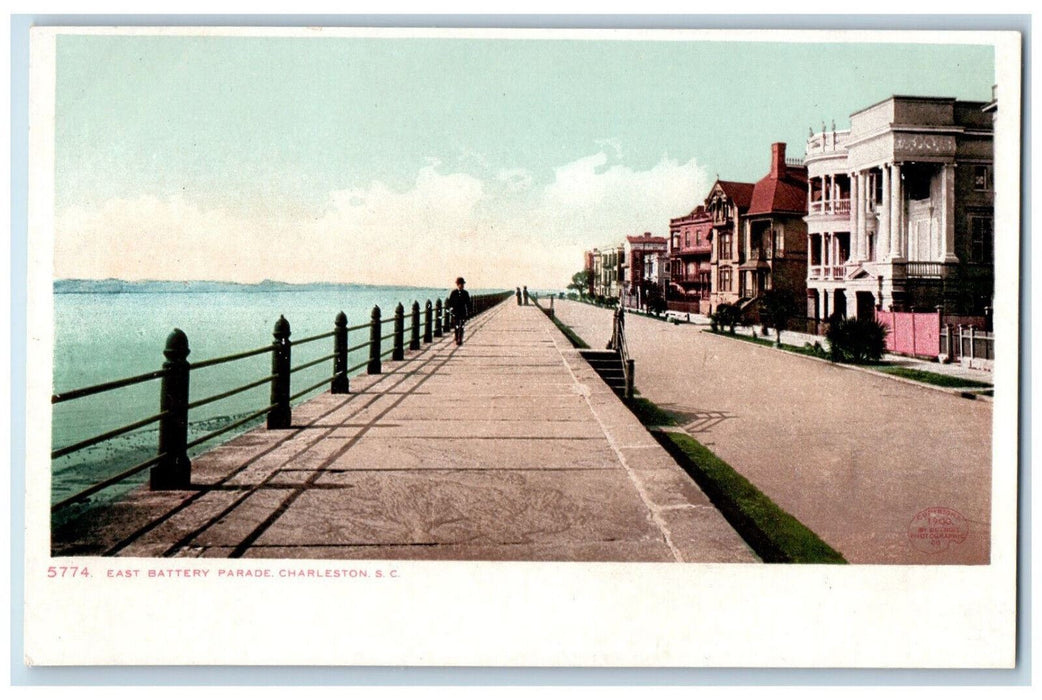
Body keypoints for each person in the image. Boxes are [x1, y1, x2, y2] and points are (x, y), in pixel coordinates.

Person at [447, 276, 473, 346]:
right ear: (457, 284)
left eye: (462, 284)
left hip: (462, 312)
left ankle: (459, 339)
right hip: (455, 312)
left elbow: (468, 303)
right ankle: (456, 336)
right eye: (460, 284)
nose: (462, 285)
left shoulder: (465, 293)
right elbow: (450, 302)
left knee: (461, 326)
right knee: (456, 325)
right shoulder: (453, 292)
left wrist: (470, 311)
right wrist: (451, 309)